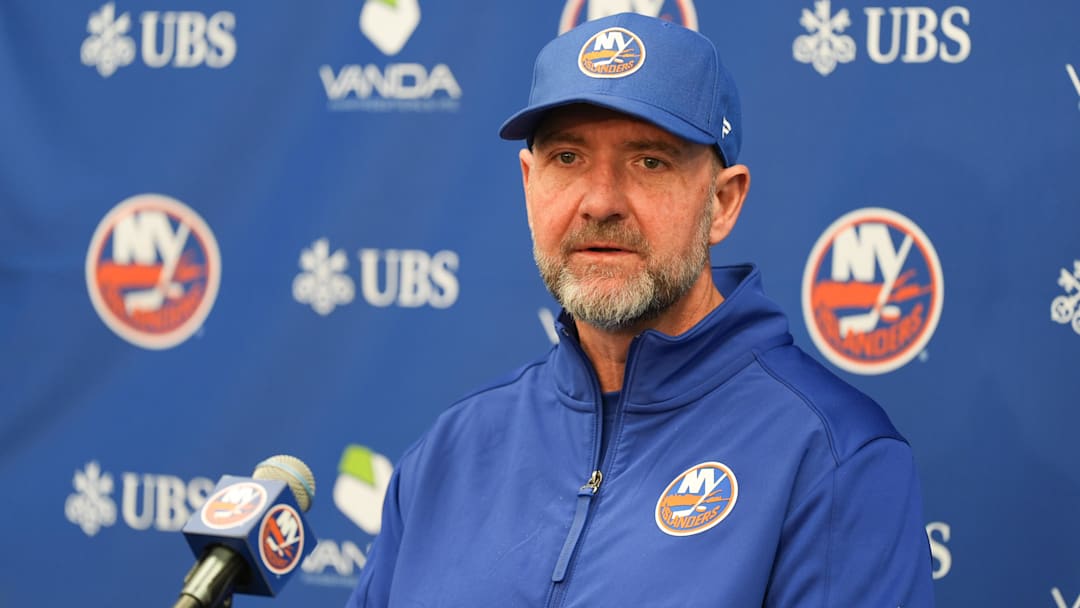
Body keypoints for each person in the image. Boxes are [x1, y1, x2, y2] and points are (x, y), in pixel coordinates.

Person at [347, 12, 934, 607]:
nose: (600, 202)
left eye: (649, 161)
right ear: (529, 184)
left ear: (723, 203)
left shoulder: (833, 456)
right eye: (568, 158)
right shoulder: (449, 452)